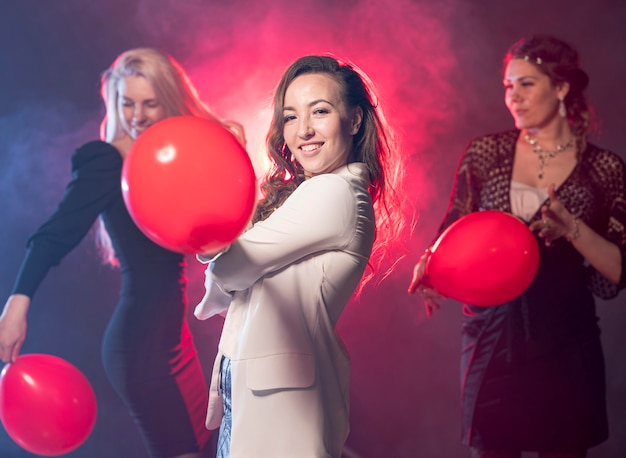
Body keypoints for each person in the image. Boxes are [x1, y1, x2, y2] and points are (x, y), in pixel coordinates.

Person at [0, 47, 245, 458]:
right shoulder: (107, 161)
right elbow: (54, 235)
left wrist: (225, 140)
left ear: (168, 99)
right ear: (114, 102)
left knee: (204, 447)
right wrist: (16, 304)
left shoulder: (176, 154)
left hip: (172, 335)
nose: (137, 114)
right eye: (126, 102)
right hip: (141, 343)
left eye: (150, 102)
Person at [408, 35, 626, 458]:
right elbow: (453, 232)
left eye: (526, 84)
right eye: (508, 86)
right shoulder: (485, 154)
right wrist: (431, 267)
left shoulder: (605, 168)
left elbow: (618, 271)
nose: (514, 97)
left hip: (565, 346)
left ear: (561, 88)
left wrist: (573, 230)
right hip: (491, 343)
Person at [194, 54, 409, 457]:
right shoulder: (309, 195)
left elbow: (231, 268)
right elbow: (225, 287)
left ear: (355, 120)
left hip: (279, 400)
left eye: (321, 111)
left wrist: (220, 176)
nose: (303, 130)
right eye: (290, 117)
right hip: (251, 394)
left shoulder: (334, 192)